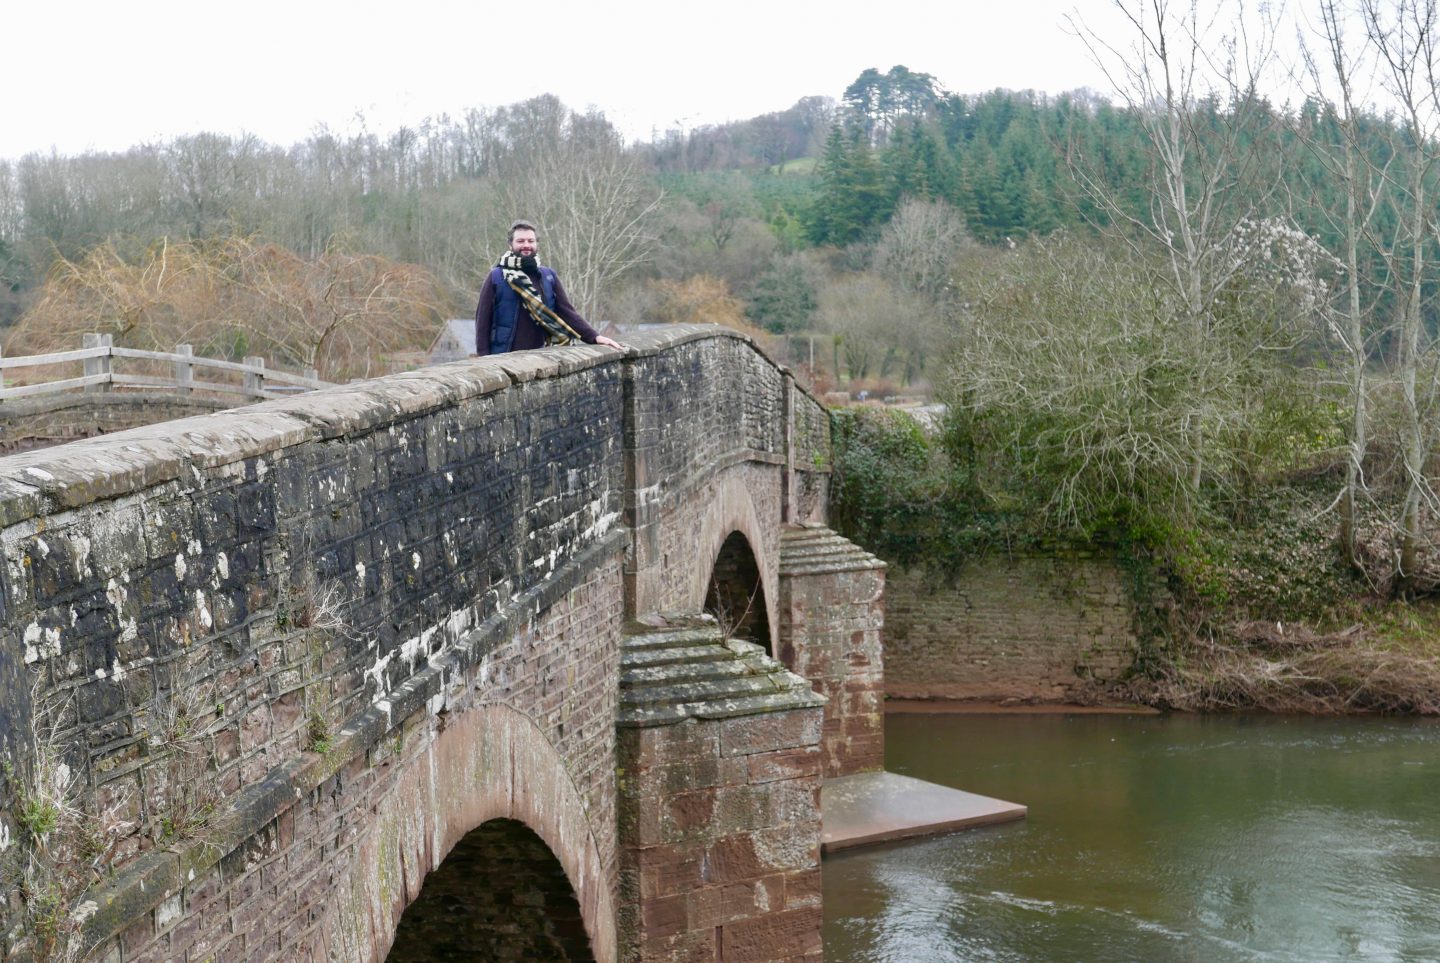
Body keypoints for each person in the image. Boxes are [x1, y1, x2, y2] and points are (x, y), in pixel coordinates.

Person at [473, 220, 622, 355]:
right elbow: (483, 321)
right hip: (504, 357)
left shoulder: (547, 276)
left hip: (543, 354)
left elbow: (567, 312)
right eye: (520, 241)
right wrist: (484, 358)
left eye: (531, 241)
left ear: (536, 244)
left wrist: (595, 337)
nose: (526, 245)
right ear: (510, 245)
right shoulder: (497, 276)